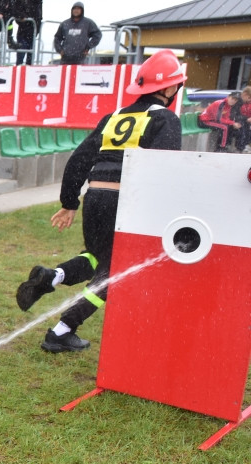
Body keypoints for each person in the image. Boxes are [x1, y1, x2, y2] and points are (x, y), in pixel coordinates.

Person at [15, 51, 185, 353]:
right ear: (170, 89)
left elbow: (79, 160)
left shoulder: (114, 118)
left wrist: (70, 201)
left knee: (96, 257)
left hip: (95, 197)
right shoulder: (165, 120)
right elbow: (165, 172)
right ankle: (63, 330)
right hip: (126, 202)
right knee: (115, 271)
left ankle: (53, 277)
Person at [9, 0, 41, 65]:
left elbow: (39, 16)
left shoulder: (37, 2)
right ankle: (19, 69)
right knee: (21, 54)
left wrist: (37, 29)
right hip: (23, 31)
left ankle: (28, 70)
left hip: (33, 31)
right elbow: (15, 11)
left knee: (30, 57)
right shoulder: (20, 2)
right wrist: (22, 16)